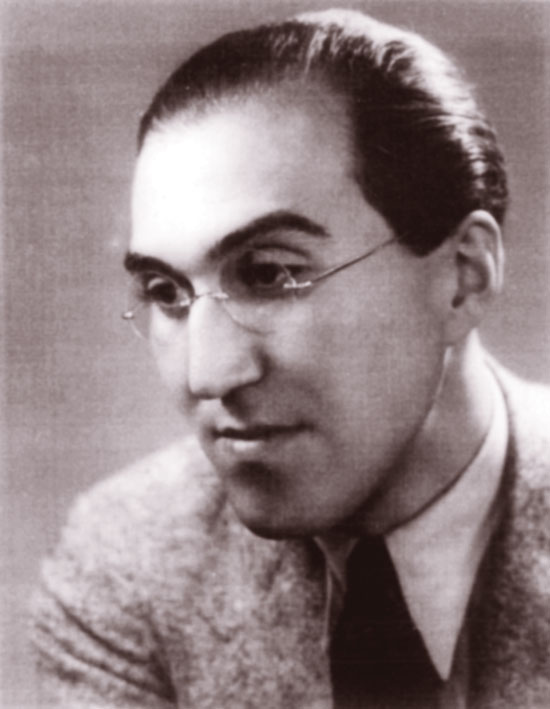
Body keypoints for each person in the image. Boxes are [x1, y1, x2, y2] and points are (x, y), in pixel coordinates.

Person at [31, 8, 550, 709]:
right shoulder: (126, 564)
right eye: (166, 291)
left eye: (270, 273)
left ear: (463, 277)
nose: (208, 374)